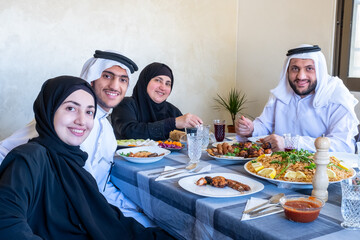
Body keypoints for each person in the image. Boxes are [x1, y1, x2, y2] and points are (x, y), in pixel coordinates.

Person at [0, 76, 173, 239]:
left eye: (89, 112)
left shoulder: (75, 161)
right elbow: (7, 224)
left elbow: (103, 217)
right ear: (49, 110)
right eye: (70, 108)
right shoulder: (27, 158)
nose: (82, 121)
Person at [235, 44, 359, 153]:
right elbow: (264, 125)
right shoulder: (282, 92)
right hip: (278, 166)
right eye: (295, 69)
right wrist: (252, 129)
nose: (301, 76)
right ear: (287, 71)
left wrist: (291, 143)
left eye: (309, 68)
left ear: (319, 71)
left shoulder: (336, 95)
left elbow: (344, 145)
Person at [111, 62, 203, 140]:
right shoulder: (125, 105)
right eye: (158, 80)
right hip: (129, 159)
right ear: (145, 82)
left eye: (168, 84)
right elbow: (130, 132)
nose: (163, 87)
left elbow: (182, 141)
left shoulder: (173, 111)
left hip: (169, 161)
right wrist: (172, 123)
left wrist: (194, 132)